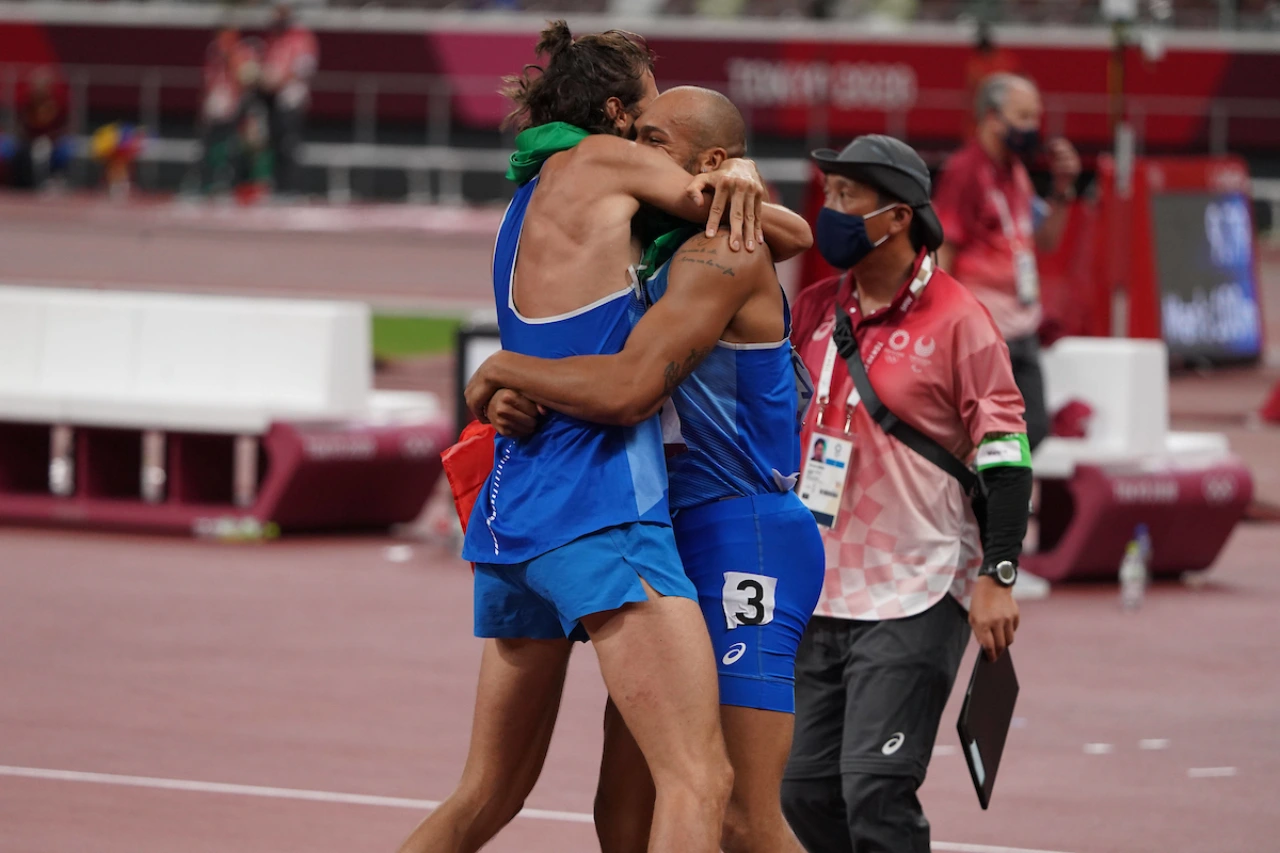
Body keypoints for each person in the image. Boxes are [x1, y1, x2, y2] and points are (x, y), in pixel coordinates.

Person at [395, 24, 812, 853]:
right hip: (608, 512)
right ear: (619, 118)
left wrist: (509, 380)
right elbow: (626, 386)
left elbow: (779, 237)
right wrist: (735, 179)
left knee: (496, 795)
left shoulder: (534, 201)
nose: (651, 137)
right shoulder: (617, 172)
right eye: (648, 119)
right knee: (684, 791)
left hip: (546, 515)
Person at [778, 135, 1032, 853]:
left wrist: (999, 574)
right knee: (800, 789)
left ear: (895, 217)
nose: (829, 211)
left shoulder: (959, 319)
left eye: (846, 196)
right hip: (817, 584)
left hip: (919, 585)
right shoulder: (814, 307)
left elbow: (1007, 456)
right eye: (827, 193)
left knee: (876, 788)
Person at [933, 72, 1081, 450]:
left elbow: (1044, 239)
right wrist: (942, 323)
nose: (1034, 127)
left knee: (1034, 427)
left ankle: (1001, 503)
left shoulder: (1015, 170)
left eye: (1036, 117)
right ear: (993, 117)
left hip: (1022, 325)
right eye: (1024, 116)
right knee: (984, 431)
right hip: (984, 326)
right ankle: (987, 505)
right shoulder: (965, 171)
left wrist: (1063, 188)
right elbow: (944, 249)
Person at [260, 3, 318, 196]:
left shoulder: (301, 37)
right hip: (273, 97)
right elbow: (270, 64)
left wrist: (279, 80)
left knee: (289, 145)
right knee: (275, 143)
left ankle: (291, 188)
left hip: (290, 97)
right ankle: (278, 186)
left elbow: (304, 67)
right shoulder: (274, 37)